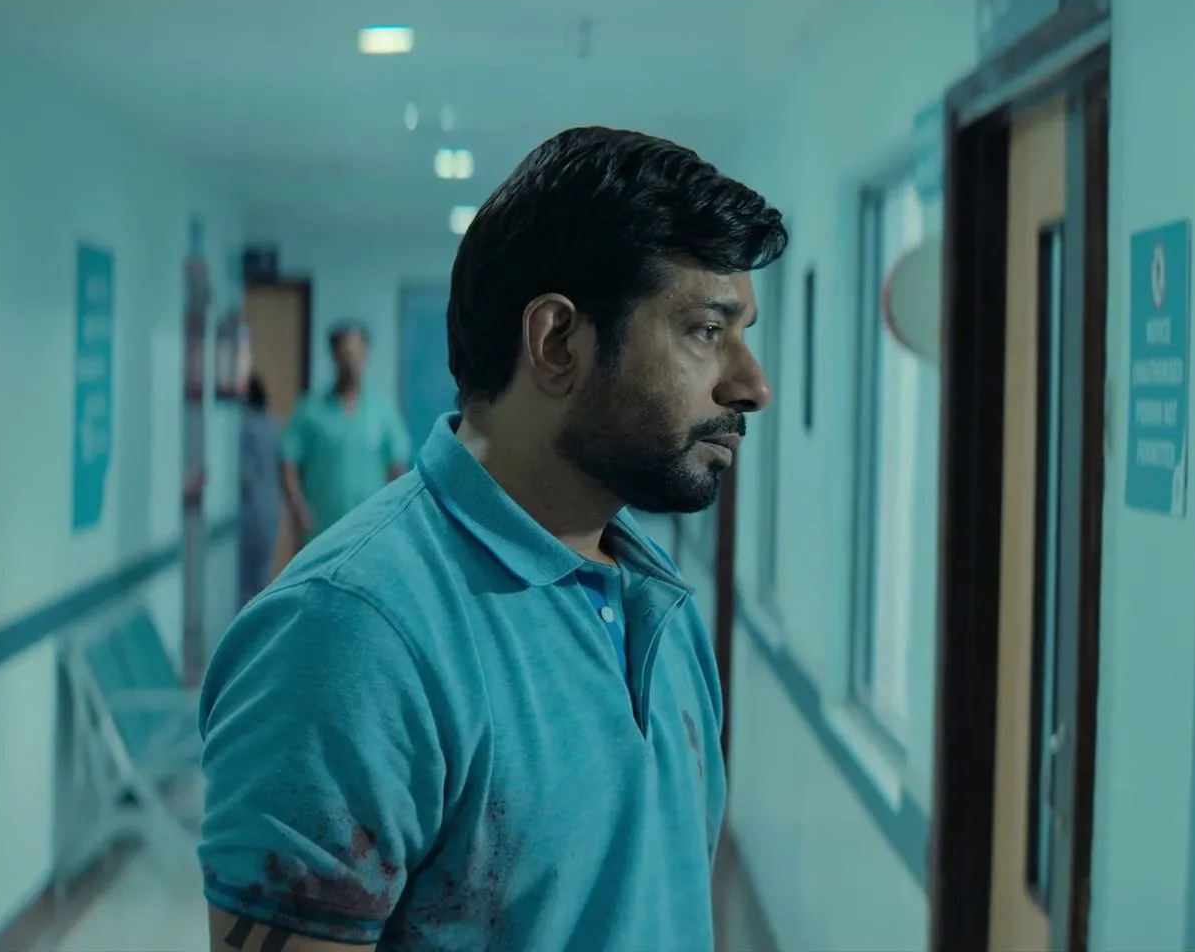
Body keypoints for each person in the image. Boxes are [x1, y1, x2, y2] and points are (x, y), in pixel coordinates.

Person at [196, 126, 786, 951]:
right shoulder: (348, 635)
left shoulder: (661, 606)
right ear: (557, 342)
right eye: (706, 331)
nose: (753, 385)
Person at [278, 322, 411, 543]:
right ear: (334, 356)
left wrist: (390, 515)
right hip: (320, 532)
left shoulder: (383, 413)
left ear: (366, 355)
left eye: (357, 354)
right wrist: (298, 508)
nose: (351, 362)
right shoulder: (311, 411)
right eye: (345, 354)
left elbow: (397, 467)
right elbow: (287, 463)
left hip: (369, 533)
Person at [237, 373, 283, 607]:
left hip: (250, 511)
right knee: (263, 575)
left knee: (244, 582)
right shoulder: (274, 427)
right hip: (271, 510)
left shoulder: (243, 428)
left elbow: (245, 474)